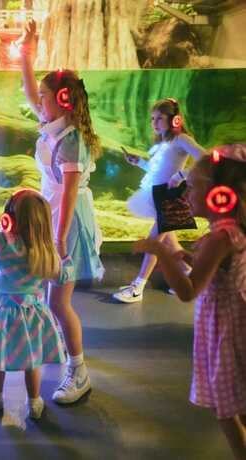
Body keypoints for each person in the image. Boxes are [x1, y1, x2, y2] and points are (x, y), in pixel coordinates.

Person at [134, 145, 246, 460]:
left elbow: (188, 290)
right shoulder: (227, 232)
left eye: (194, 187)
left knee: (227, 410)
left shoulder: (217, 239)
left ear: (218, 195)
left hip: (226, 329)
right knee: (237, 401)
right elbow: (215, 269)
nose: (187, 193)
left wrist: (162, 253)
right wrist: (188, 256)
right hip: (233, 321)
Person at [20, 20, 104, 404]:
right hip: (51, 216)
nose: (38, 99)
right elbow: (27, 89)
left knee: (57, 300)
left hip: (65, 222)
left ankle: (79, 370)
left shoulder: (71, 140)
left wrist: (58, 236)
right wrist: (26, 52)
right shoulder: (54, 126)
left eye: (45, 95)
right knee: (44, 293)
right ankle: (63, 353)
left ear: (64, 99)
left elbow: (69, 193)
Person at [0, 176, 73, 419]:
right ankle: (34, 402)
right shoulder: (46, 251)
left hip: (5, 312)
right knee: (33, 358)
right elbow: (62, 276)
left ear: (8, 219)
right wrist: (68, 264)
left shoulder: (3, 242)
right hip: (35, 312)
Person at [113, 97, 206, 303]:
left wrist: (182, 175)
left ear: (174, 119)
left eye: (160, 118)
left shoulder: (182, 139)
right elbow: (158, 170)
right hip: (157, 195)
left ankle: (138, 286)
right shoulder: (164, 141)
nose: (154, 123)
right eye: (152, 118)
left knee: (155, 242)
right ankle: (189, 276)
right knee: (169, 242)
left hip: (170, 199)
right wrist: (139, 163)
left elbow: (206, 159)